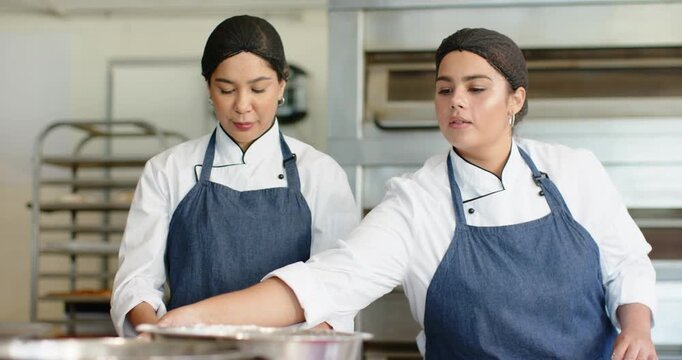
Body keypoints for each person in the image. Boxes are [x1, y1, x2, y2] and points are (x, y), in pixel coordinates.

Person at [157, 28, 658, 360]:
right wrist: (189, 318)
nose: (456, 101)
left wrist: (636, 328)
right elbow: (323, 284)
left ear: (516, 99)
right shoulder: (417, 202)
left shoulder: (574, 172)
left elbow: (626, 263)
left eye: (476, 88)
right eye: (444, 89)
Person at [110, 15, 359, 337]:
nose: (243, 106)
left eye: (258, 89)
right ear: (209, 89)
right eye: (226, 89)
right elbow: (135, 281)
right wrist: (155, 334)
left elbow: (337, 287)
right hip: (191, 352)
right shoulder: (168, 169)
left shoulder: (321, 173)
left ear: (282, 85)